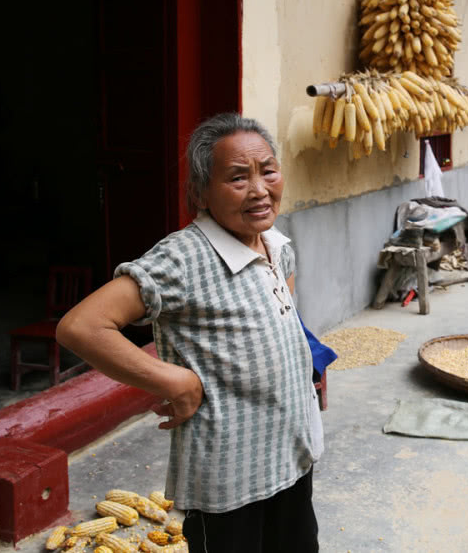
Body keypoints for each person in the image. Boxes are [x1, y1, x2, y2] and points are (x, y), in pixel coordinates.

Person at [57, 113, 321, 552]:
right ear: (199, 192)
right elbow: (81, 326)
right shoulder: (184, 257)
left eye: (268, 170)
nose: (259, 189)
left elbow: (283, 312)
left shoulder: (274, 241)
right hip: (230, 475)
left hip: (291, 452)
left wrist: (303, 362)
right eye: (238, 178)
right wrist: (171, 379)